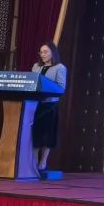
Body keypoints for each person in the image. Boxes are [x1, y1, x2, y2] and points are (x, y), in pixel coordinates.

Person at [31, 41, 66, 171]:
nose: (43, 54)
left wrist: (46, 88)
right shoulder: (36, 67)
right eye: (41, 52)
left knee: (47, 135)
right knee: (35, 134)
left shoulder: (60, 67)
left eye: (45, 52)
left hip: (50, 105)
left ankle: (43, 161)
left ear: (53, 53)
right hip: (35, 105)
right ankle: (34, 162)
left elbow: (61, 88)